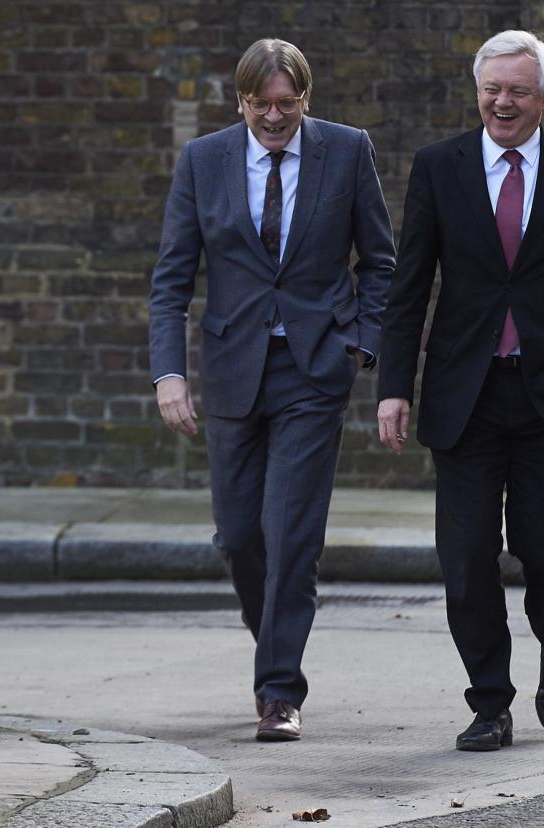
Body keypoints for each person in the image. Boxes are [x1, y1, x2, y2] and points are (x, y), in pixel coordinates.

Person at [376, 30, 544, 752]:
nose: (502, 101)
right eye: (492, 88)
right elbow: (409, 286)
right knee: (464, 562)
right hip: (466, 397)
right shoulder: (439, 167)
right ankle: (490, 701)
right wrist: (395, 387)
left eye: (518, 90)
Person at [149, 38, 395, 742]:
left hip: (314, 371)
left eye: (288, 104)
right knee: (238, 537)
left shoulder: (347, 152)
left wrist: (362, 343)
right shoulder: (204, 162)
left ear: (306, 99)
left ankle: (280, 691)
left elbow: (381, 261)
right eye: (262, 104)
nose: (275, 116)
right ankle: (274, 645)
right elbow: (170, 281)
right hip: (231, 371)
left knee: (292, 534)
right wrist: (170, 374)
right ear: (242, 101)